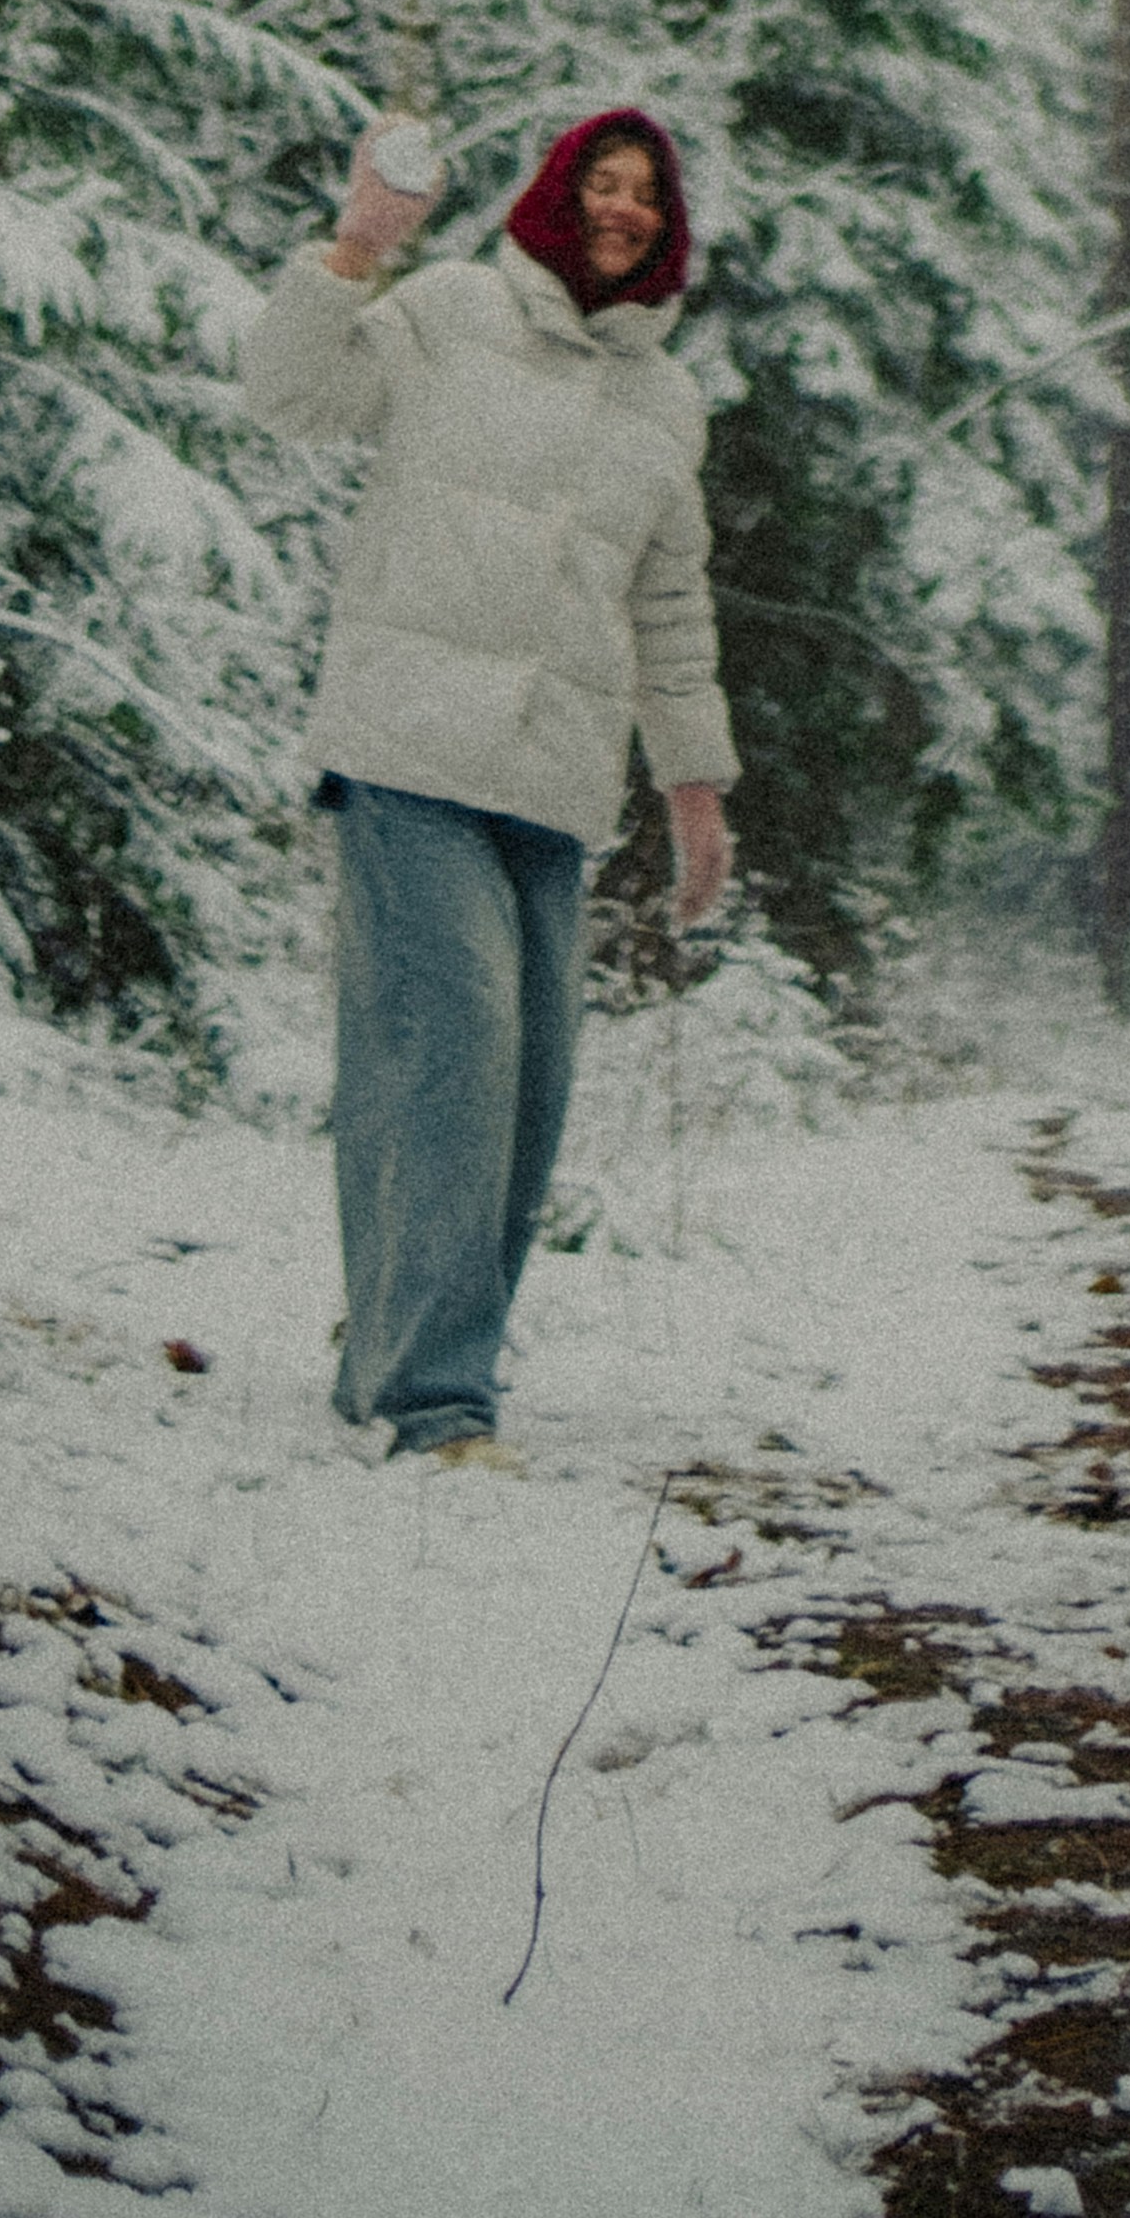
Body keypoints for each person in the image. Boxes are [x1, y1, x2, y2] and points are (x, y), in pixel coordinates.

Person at [242, 100, 737, 1468]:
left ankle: (399, 1351)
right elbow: (290, 395)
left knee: (523, 1092)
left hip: (552, 780)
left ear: (669, 228)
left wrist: (695, 789)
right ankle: (433, 1401)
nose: (624, 208)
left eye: (650, 192)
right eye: (605, 183)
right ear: (556, 194)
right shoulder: (451, 309)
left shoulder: (664, 400)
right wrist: (356, 248)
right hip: (407, 748)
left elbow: (671, 603)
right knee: (451, 1048)